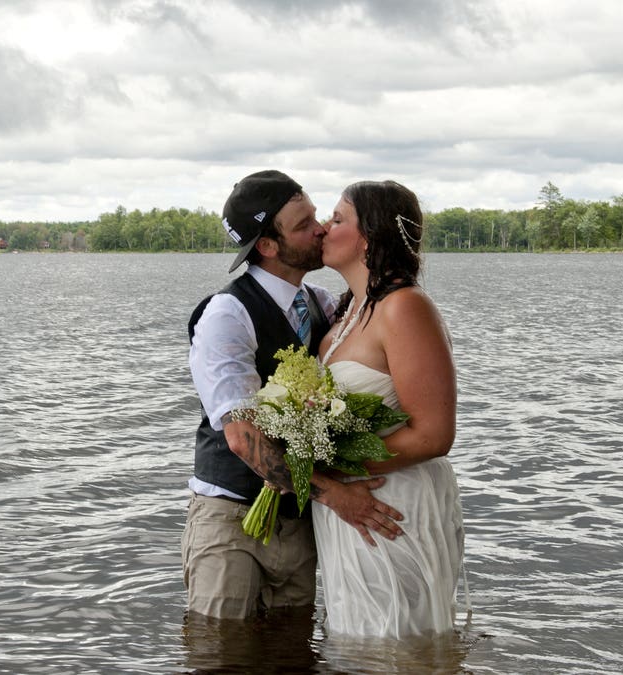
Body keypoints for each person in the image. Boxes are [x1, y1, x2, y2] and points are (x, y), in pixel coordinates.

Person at [183, 170, 405, 621]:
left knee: (292, 653)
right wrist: (338, 495)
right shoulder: (226, 315)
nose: (321, 228)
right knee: (220, 656)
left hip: (302, 524)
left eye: (318, 216)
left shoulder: (323, 304)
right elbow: (243, 438)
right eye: (304, 225)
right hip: (231, 521)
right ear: (267, 245)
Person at [313, 180, 465, 638]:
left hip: (390, 503)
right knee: (355, 637)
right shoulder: (347, 313)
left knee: (395, 638)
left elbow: (434, 434)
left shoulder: (404, 308)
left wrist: (332, 464)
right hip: (350, 507)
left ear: (369, 237)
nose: (323, 228)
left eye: (337, 219)